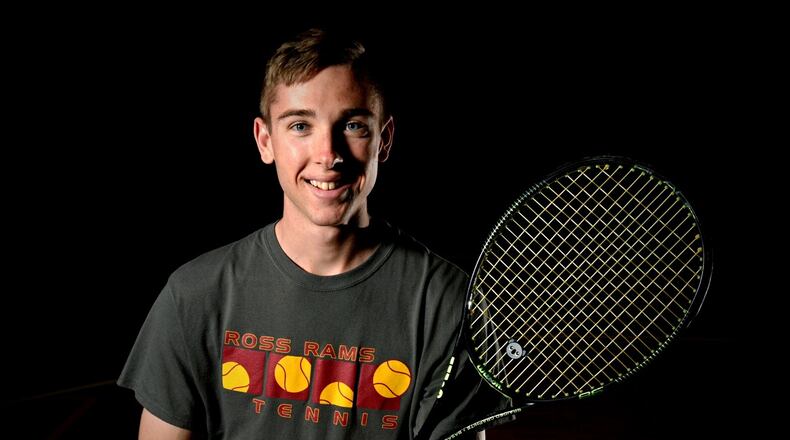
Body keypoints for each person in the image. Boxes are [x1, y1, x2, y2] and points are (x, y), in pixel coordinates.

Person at [118, 28, 510, 439]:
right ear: (265, 141)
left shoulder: (445, 304)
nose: (328, 154)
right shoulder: (194, 295)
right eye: (301, 126)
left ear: (384, 140)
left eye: (354, 125)